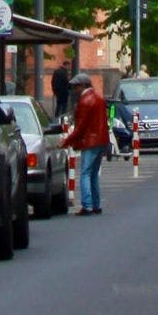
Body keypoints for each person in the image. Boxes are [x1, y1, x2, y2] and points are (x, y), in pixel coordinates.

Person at [60, 73, 108, 216]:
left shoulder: (85, 101)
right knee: (93, 174)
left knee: (86, 173)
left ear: (83, 86)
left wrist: (66, 141)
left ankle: (87, 205)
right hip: (101, 140)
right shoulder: (99, 99)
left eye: (76, 86)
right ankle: (96, 204)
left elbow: (80, 127)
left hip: (90, 141)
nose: (74, 89)